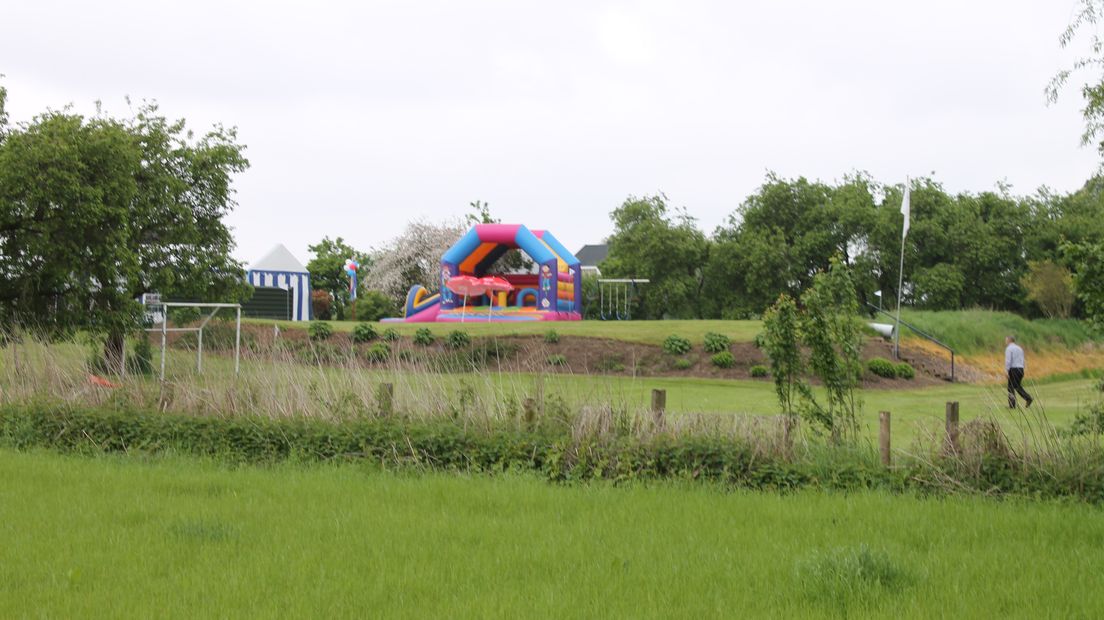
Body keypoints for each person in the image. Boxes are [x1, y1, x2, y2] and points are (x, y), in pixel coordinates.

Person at [1005, 336, 1033, 409]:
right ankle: (1028, 398)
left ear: (1009, 340)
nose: (1005, 341)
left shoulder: (1009, 348)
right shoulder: (1020, 348)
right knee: (1017, 386)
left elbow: (1008, 360)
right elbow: (1023, 360)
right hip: (1020, 369)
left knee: (1010, 387)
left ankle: (1012, 405)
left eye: (1006, 340)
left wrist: (1007, 371)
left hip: (1013, 369)